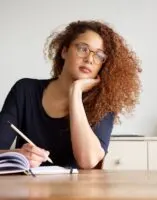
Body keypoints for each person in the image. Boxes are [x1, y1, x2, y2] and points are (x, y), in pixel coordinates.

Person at [0, 20, 141, 169]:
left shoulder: (104, 103)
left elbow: (88, 161)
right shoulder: (25, 90)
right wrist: (20, 154)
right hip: (31, 189)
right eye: (83, 49)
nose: (89, 59)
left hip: (77, 190)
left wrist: (75, 92)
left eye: (99, 56)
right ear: (64, 51)